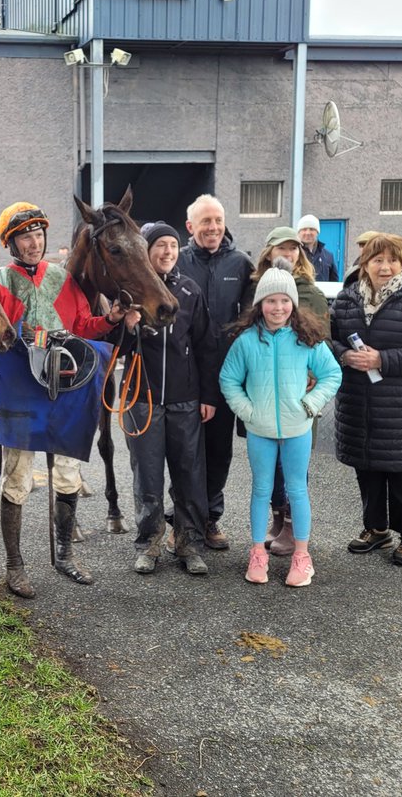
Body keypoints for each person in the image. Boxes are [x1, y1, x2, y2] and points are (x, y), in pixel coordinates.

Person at [0, 201, 137, 595]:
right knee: (18, 476)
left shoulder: (61, 278)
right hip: (22, 391)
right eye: (25, 236)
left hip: (65, 389)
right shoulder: (1, 280)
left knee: (69, 472)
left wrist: (111, 319)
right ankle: (14, 565)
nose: (33, 243)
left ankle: (65, 556)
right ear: (11, 242)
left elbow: (82, 326)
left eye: (38, 235)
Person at [220, 261, 341, 587]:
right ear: (260, 304)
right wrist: (247, 410)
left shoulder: (306, 339)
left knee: (297, 491)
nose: (278, 307)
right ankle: (258, 551)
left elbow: (332, 375)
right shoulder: (246, 341)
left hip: (297, 429)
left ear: (293, 303)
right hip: (260, 429)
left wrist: (311, 404)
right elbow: (229, 379)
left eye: (284, 300)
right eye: (271, 301)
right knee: (261, 490)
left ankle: (302, 555)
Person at [331, 234, 402, 565]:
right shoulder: (346, 299)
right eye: (377, 260)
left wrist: (381, 359)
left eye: (392, 260)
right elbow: (328, 341)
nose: (384, 266)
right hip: (358, 400)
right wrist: (344, 356)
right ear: (364, 263)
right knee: (366, 467)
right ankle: (376, 528)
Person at [123, 222, 218, 575]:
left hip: (185, 399)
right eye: (160, 245)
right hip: (141, 399)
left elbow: (208, 347)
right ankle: (148, 543)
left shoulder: (190, 291)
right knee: (147, 475)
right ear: (146, 251)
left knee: (189, 473)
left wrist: (207, 395)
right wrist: (125, 324)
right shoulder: (130, 293)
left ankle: (188, 543)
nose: (167, 252)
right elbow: (112, 344)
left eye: (173, 246)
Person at [240, 227, 330, 557]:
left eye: (294, 248)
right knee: (267, 476)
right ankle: (277, 521)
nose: (289, 253)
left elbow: (323, 346)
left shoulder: (309, 292)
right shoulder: (255, 289)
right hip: (263, 404)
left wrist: (310, 384)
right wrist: (247, 404)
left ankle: (293, 527)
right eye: (282, 247)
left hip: (296, 402)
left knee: (294, 472)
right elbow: (238, 359)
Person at [177, 194, 254, 551]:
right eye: (205, 222)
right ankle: (182, 518)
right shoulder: (175, 261)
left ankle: (210, 517)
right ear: (191, 227)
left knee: (218, 451)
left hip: (225, 374)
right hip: (183, 372)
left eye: (218, 220)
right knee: (184, 450)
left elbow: (253, 315)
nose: (213, 227)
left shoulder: (241, 263)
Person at [296, 214, 338, 283]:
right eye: (304, 229)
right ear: (299, 232)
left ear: (317, 232)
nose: (308, 233)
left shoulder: (328, 256)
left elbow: (334, 282)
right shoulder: (293, 254)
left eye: (312, 229)